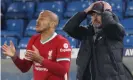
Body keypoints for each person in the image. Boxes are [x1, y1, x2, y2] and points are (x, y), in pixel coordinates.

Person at [63, 1, 133, 80]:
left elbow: (110, 25)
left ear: (107, 15)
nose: (95, 17)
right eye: (93, 15)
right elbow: (69, 28)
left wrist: (107, 11)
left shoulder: (116, 31)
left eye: (99, 14)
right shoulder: (87, 33)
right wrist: (85, 12)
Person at [2, 10, 72, 80]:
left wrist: (40, 60)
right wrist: (14, 57)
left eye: (42, 19)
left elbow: (63, 71)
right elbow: (24, 68)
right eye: (38, 18)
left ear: (52, 24)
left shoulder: (62, 42)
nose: (37, 21)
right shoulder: (33, 39)